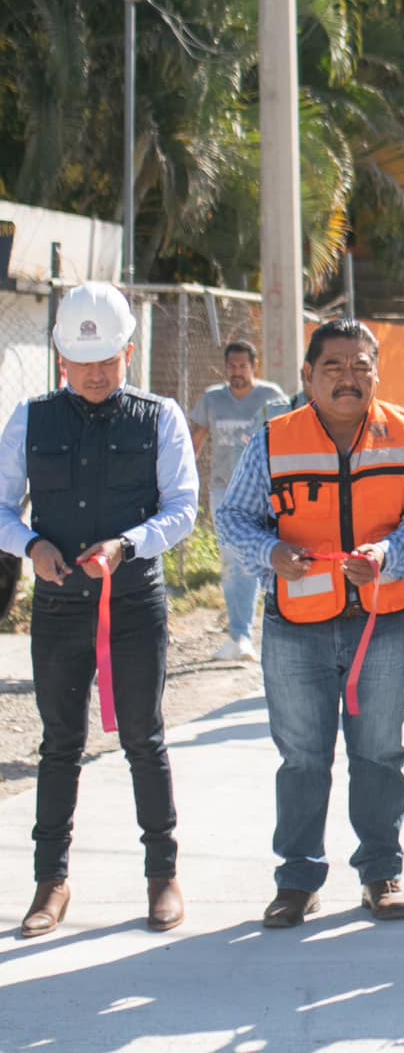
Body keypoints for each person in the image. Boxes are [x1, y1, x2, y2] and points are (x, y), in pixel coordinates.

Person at [217, 318, 404, 929]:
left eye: (361, 366)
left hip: (383, 621)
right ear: (308, 376)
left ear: (377, 371)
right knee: (302, 757)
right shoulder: (272, 440)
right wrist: (271, 556)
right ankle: (297, 879)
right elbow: (234, 517)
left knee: (377, 753)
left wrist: (388, 557)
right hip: (297, 624)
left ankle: (380, 873)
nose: (349, 378)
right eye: (334, 367)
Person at [2, 283, 198, 938]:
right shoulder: (29, 419)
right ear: (60, 356)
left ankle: (161, 876)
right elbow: (1, 507)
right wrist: (30, 545)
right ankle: (50, 883)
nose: (94, 372)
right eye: (81, 360)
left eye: (107, 359)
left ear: (129, 354)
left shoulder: (159, 416)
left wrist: (128, 544)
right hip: (58, 609)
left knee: (144, 738)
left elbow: (183, 508)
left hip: (134, 603)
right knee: (59, 744)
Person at [188, 340, 290, 663]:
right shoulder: (213, 399)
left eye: (242, 366)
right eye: (231, 366)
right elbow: (196, 439)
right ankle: (240, 635)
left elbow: (289, 437)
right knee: (233, 561)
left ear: (254, 367)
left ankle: (265, 629)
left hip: (265, 492)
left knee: (261, 558)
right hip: (225, 491)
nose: (236, 372)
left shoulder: (271, 397)